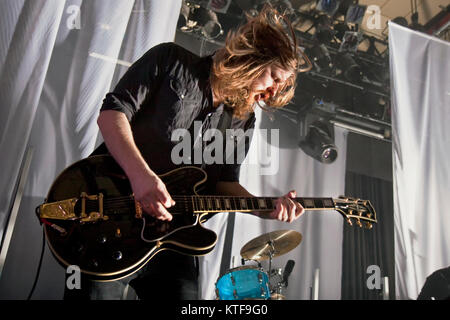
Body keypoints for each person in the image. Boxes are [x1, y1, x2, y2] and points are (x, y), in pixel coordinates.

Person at [65, 5, 311, 300]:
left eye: (281, 86)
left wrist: (266, 206)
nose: (272, 92)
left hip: (174, 240)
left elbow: (225, 184)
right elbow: (112, 114)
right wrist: (141, 177)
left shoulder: (242, 120)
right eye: (273, 77)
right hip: (112, 219)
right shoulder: (170, 60)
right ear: (252, 58)